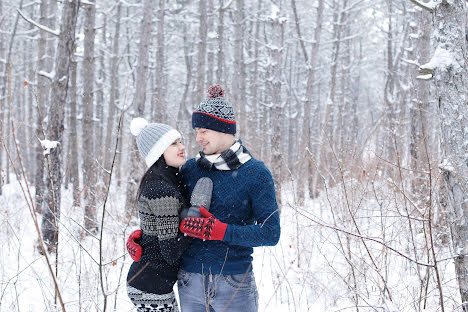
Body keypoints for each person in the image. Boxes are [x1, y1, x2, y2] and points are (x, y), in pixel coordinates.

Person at [128, 84, 281, 311]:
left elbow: (270, 233)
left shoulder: (256, 173)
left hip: (234, 281)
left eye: (203, 131)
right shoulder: (190, 168)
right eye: (196, 131)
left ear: (221, 129)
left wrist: (221, 231)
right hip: (189, 281)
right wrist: (146, 238)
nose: (197, 138)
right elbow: (168, 212)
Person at [126, 118, 212, 312]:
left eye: (180, 141)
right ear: (159, 151)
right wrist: (194, 227)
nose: (182, 146)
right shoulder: (160, 189)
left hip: (152, 282)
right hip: (150, 286)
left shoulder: (166, 181)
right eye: (174, 143)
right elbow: (170, 252)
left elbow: (157, 232)